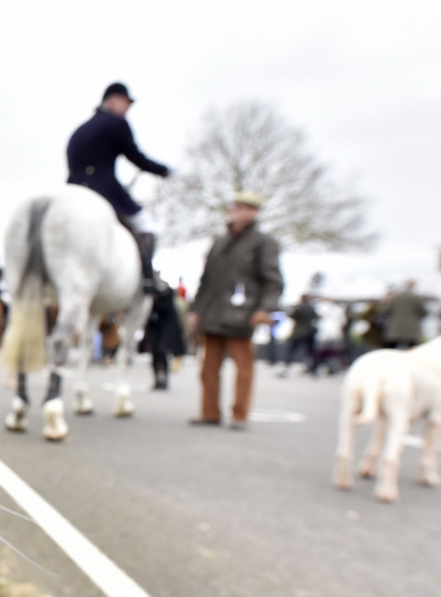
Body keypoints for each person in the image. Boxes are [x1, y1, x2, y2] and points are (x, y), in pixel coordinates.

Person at [186, 190, 284, 429]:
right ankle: (209, 413)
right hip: (213, 313)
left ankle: (239, 415)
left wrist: (264, 309)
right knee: (208, 369)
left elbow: (273, 281)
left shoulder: (263, 242)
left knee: (243, 370)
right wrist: (195, 310)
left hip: (243, 315)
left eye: (244, 207)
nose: (237, 210)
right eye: (236, 206)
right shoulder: (219, 242)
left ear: (254, 212)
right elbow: (205, 280)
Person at [66, 81, 171, 289]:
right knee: (146, 224)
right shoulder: (116, 123)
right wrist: (164, 170)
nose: (128, 108)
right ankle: (147, 278)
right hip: (103, 189)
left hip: (72, 191)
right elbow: (136, 157)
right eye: (126, 103)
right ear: (112, 100)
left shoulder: (79, 131)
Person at [139, 274, 186, 390]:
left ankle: (164, 378)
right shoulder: (150, 295)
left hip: (165, 328)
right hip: (154, 328)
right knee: (154, 353)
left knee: (161, 351)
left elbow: (166, 308)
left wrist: (155, 301)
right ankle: (157, 379)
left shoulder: (166, 292)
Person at [279, 294, 318, 377]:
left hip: (307, 333)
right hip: (300, 332)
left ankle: (312, 369)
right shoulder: (298, 308)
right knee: (292, 351)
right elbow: (291, 316)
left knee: (310, 352)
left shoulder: (310, 308)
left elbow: (316, 316)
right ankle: (286, 368)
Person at [381, 279, 427, 349]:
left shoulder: (395, 297)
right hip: (412, 328)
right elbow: (423, 312)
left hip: (396, 327)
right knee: (412, 350)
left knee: (391, 350)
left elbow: (385, 310)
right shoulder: (416, 298)